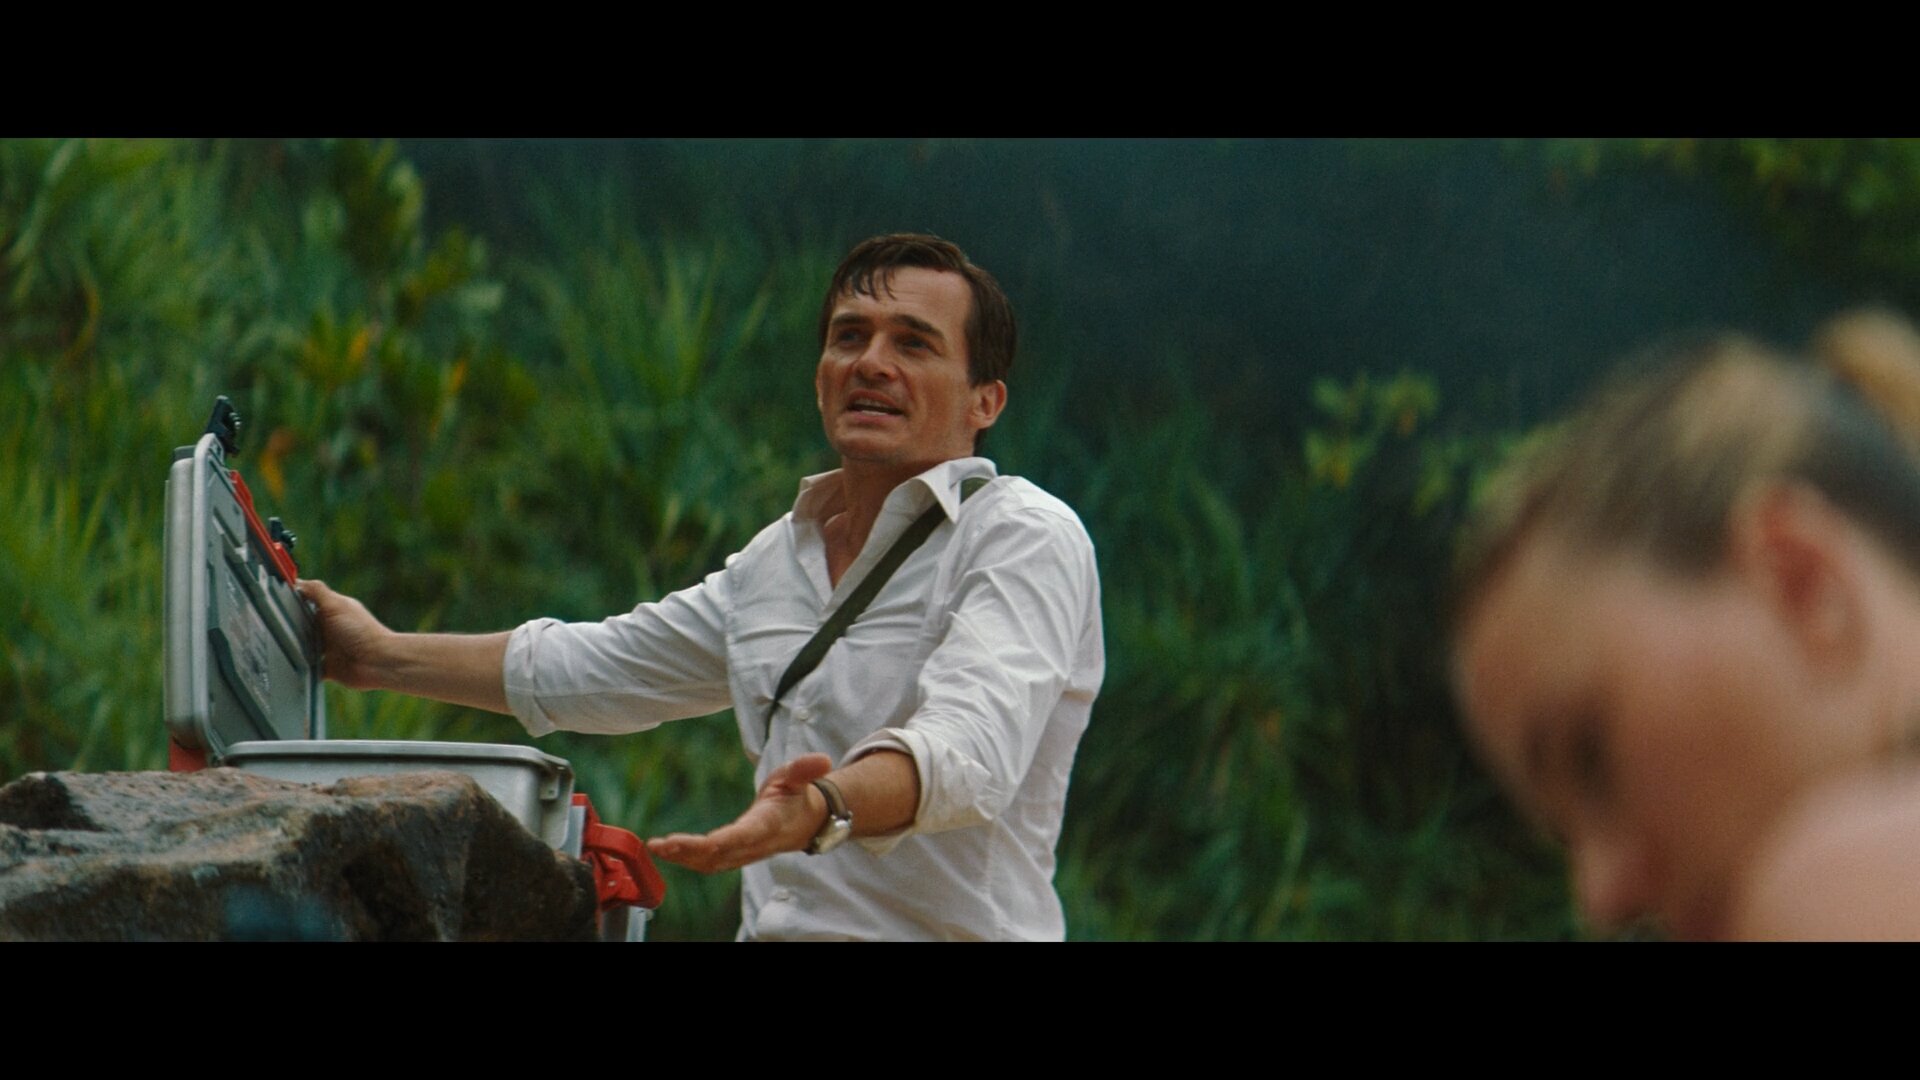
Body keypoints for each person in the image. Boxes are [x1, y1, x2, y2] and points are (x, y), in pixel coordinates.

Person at [297, 234, 1105, 941]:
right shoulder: (778, 559)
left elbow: (970, 750)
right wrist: (378, 657)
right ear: (820, 377)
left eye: (915, 344)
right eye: (849, 336)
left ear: (985, 401)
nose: (871, 362)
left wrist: (822, 806)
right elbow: (593, 668)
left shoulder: (1022, 535)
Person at [1450, 309, 1920, 941]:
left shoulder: (1841, 882)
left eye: (1593, 760)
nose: (1601, 898)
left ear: (1801, 581)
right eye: (1564, 839)